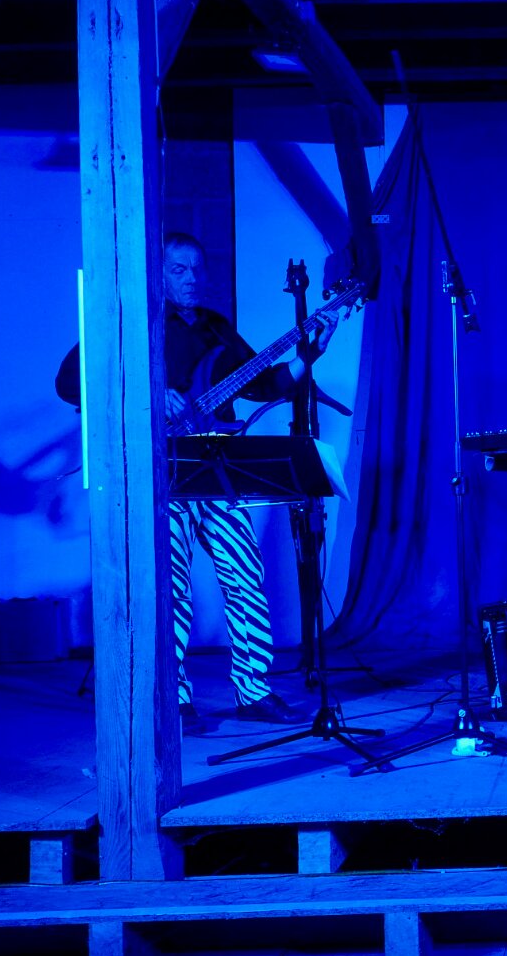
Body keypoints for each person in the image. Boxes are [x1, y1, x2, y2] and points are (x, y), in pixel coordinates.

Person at [56, 232, 338, 731]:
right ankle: (175, 696)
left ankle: (254, 690)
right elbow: (68, 383)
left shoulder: (216, 327)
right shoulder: (130, 324)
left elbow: (265, 384)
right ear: (159, 274)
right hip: (162, 470)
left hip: (217, 466)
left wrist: (308, 356)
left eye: (196, 269)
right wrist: (150, 390)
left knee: (245, 576)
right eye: (178, 270)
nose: (190, 279)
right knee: (172, 587)